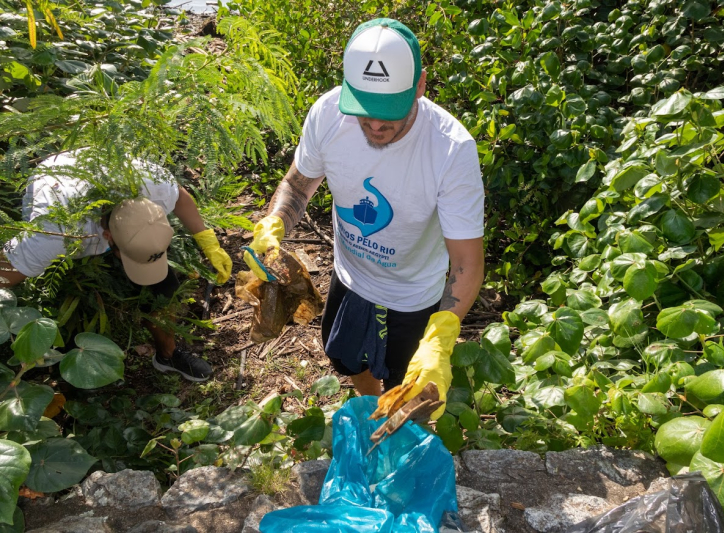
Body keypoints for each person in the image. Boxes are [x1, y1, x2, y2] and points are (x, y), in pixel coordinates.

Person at [244, 18, 485, 417]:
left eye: (390, 111)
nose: (375, 124)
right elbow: (298, 185)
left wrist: (441, 336)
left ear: (420, 85)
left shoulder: (451, 149)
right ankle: (369, 404)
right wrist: (274, 225)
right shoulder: (329, 114)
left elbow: (466, 263)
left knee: (410, 394)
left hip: (414, 295)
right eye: (365, 110)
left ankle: (400, 437)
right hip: (350, 277)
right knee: (348, 361)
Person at [0, 150, 232, 381]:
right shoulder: (54, 235)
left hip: (105, 172)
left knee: (165, 289)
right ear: (108, 237)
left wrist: (208, 242)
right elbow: (5, 273)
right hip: (58, 183)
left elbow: (180, 198)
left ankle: (167, 356)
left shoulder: (155, 185)